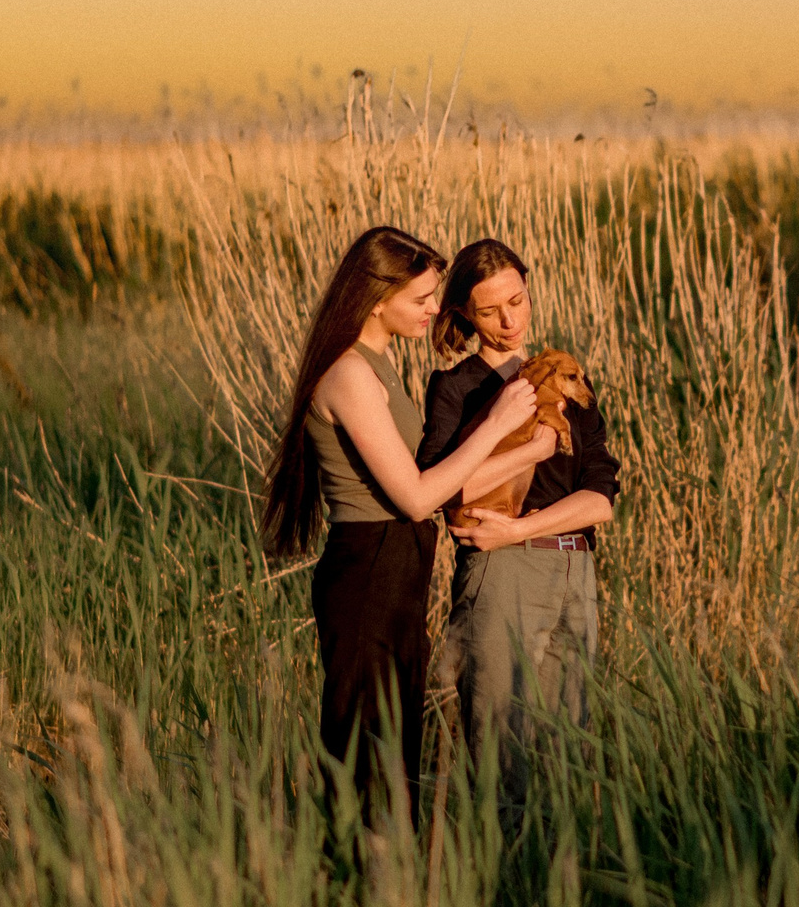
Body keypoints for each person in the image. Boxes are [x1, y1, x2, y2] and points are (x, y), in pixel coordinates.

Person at [258, 226, 553, 804]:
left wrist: (528, 450)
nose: (437, 309)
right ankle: (351, 883)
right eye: (420, 300)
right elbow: (417, 497)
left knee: (396, 756)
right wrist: (495, 425)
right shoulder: (350, 375)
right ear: (374, 300)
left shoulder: (381, 364)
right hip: (370, 569)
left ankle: (390, 887)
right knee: (368, 759)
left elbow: (437, 486)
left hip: (398, 572)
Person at [419, 238, 621, 757]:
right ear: (463, 312)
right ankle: (486, 839)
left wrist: (520, 527)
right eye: (489, 311)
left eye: (518, 301)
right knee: (500, 754)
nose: (510, 322)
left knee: (569, 757)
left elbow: (600, 500)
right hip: (503, 572)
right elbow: (443, 491)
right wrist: (530, 444)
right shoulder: (458, 387)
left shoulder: (568, 377)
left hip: (574, 570)